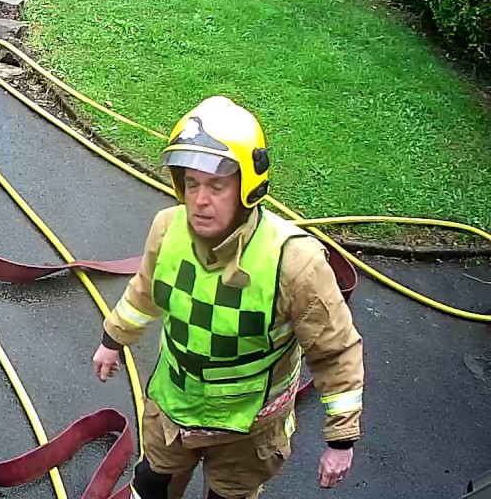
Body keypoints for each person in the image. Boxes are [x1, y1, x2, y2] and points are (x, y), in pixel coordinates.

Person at [92, 96, 364, 499]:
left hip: (248, 431)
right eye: (192, 183)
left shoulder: (294, 262)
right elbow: (144, 292)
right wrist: (112, 341)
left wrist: (341, 440)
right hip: (172, 411)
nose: (200, 200)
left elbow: (335, 351)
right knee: (150, 486)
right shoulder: (168, 229)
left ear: (248, 186)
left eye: (217, 185)